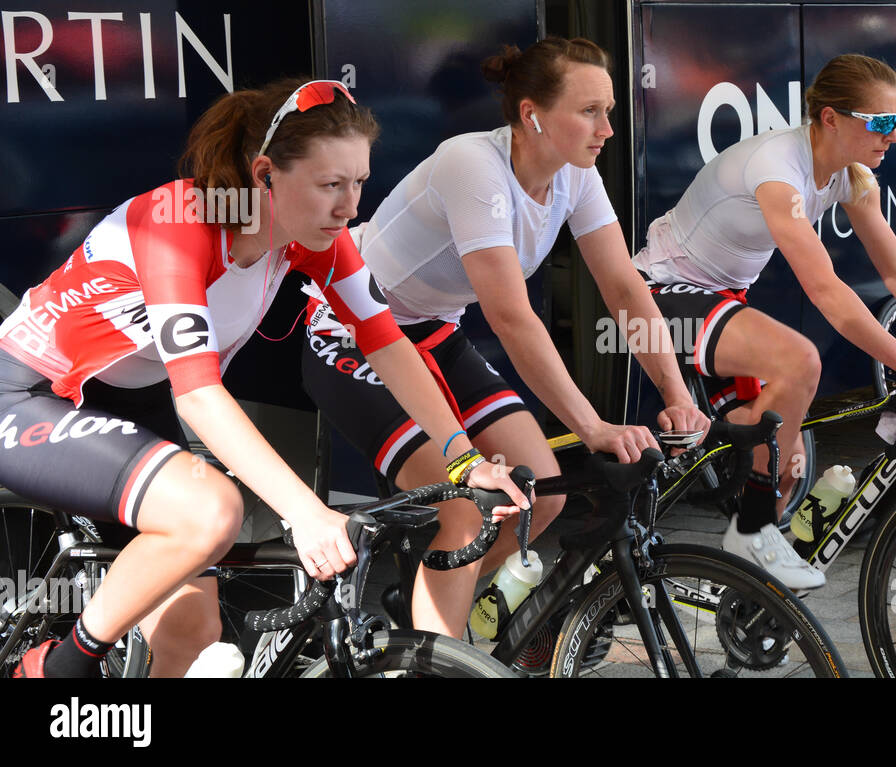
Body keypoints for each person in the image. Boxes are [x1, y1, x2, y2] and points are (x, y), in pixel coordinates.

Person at [2, 78, 529, 678]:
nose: (350, 207)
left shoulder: (315, 238)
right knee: (212, 511)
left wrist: (463, 459)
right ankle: (55, 670)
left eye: (358, 182)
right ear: (264, 175)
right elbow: (199, 396)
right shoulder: (177, 222)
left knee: (192, 635)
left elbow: (387, 343)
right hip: (29, 395)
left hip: (131, 404)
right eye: (331, 185)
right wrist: (304, 514)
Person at [302, 38, 710, 637]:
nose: (608, 129)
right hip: (350, 332)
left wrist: (678, 395)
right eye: (590, 111)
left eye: (610, 110)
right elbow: (512, 319)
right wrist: (593, 427)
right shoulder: (474, 165)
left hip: (433, 333)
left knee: (541, 496)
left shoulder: (577, 174)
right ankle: (431, 655)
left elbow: (624, 288)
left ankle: (424, 617)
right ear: (532, 115)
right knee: (467, 511)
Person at [633, 53, 896, 590]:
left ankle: (749, 595)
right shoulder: (779, 171)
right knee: (800, 362)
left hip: (719, 294)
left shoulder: (853, 175)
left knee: (787, 461)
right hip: (656, 295)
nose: (893, 136)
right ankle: (746, 523)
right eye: (882, 122)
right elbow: (825, 290)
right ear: (830, 118)